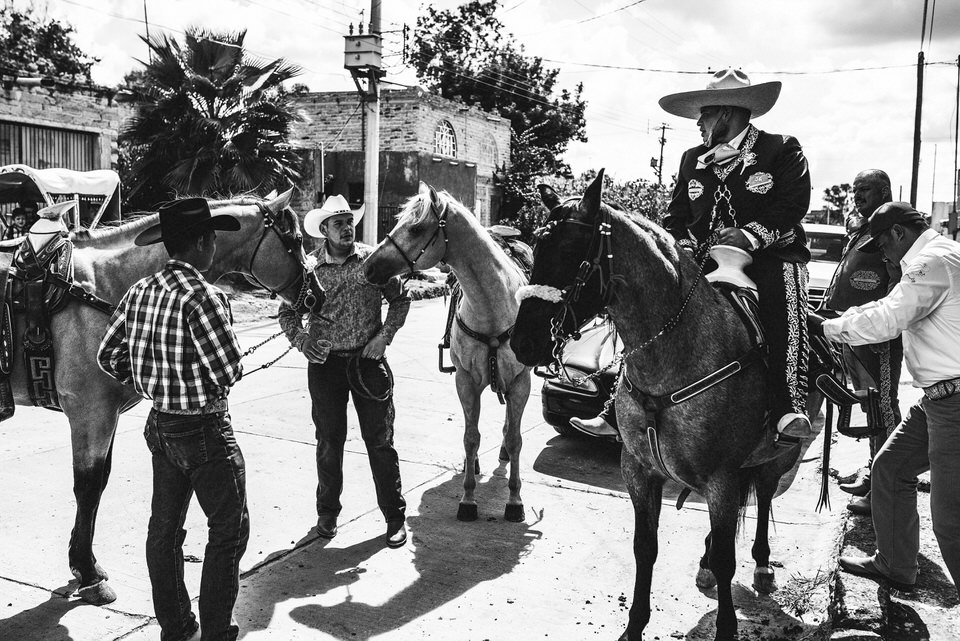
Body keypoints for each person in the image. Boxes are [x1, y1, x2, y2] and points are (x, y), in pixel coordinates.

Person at [97, 197, 249, 641]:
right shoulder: (204, 297)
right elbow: (228, 370)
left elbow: (108, 354)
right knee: (229, 529)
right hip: (204, 431)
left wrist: (148, 382)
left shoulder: (140, 292)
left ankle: (176, 626)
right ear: (202, 243)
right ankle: (216, 631)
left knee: (163, 531)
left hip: (161, 426)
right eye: (212, 240)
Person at [810, 202, 960, 595]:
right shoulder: (939, 257)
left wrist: (829, 329)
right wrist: (838, 322)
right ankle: (895, 564)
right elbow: (887, 306)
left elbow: (891, 318)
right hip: (938, 398)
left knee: (950, 521)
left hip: (954, 402)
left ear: (897, 233)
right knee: (890, 469)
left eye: (882, 245)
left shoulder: (933, 262)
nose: (884, 256)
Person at [658, 67, 813, 443]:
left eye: (704, 114)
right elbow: (676, 215)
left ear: (725, 114)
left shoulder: (780, 148)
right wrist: (676, 242)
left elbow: (793, 203)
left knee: (784, 300)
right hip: (705, 259)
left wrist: (749, 234)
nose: (699, 124)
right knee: (651, 297)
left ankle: (788, 405)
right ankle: (618, 399)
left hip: (772, 255)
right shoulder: (691, 157)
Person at [278, 194, 411, 548]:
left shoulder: (373, 261)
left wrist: (384, 337)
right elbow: (287, 314)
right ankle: (327, 513)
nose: (347, 228)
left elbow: (401, 300)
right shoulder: (308, 271)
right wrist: (302, 341)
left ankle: (395, 517)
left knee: (380, 442)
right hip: (325, 368)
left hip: (369, 365)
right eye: (339, 223)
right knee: (328, 442)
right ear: (324, 230)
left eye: (349, 221)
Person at [822, 169, 903, 516]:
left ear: (883, 191)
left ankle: (886, 489)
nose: (857, 195)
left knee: (883, 409)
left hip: (877, 338)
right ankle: (874, 471)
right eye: (854, 190)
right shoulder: (862, 231)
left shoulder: (892, 231)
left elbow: (898, 284)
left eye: (865, 190)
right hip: (850, 333)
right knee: (868, 407)